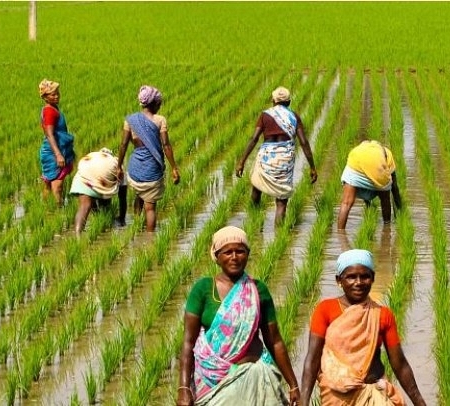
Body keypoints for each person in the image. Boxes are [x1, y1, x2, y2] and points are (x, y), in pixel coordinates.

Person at [178, 226, 300, 406]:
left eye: (240, 251)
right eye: (227, 252)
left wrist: (293, 385)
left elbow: (274, 341)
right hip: (213, 380)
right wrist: (183, 388)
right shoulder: (203, 289)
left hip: (257, 378)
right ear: (216, 257)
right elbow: (188, 342)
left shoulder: (258, 290)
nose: (234, 257)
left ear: (248, 254)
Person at [300, 249, 426, 406]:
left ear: (373, 278)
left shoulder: (382, 315)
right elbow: (312, 359)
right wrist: (303, 401)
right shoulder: (325, 310)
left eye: (365, 276)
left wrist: (420, 402)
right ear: (339, 280)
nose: (358, 282)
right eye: (351, 277)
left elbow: (400, 364)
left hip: (374, 394)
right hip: (337, 397)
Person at [235, 86, 318, 226]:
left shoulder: (265, 115)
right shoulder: (294, 116)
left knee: (256, 185)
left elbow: (254, 139)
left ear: (273, 101)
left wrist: (241, 161)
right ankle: (279, 233)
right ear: (289, 102)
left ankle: (254, 222)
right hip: (285, 159)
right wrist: (312, 167)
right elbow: (303, 142)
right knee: (281, 200)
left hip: (266, 157)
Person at [117, 84, 180, 232]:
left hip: (135, 169)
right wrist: (174, 168)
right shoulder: (160, 120)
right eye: (159, 103)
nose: (160, 106)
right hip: (152, 169)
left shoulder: (131, 120)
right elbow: (166, 145)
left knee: (139, 195)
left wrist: (119, 166)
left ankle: (137, 228)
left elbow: (123, 145)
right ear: (155, 104)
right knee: (150, 207)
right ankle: (149, 238)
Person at [337, 140, 402, 229]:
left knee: (346, 203)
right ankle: (387, 228)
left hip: (354, 165)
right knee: (385, 199)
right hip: (377, 167)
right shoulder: (387, 153)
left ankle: (340, 234)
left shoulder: (360, 149)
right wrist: (399, 209)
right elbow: (394, 186)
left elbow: (366, 169)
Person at [70, 148, 127, 235]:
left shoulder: (93, 156)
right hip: (104, 174)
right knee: (105, 202)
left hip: (84, 171)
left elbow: (91, 193)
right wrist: (122, 218)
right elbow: (122, 197)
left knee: (84, 206)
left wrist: (96, 212)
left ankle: (77, 236)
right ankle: (105, 223)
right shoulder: (117, 163)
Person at [38, 79, 75, 206]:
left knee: (49, 185)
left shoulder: (53, 108)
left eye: (57, 93)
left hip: (54, 149)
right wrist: (58, 154)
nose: (57, 96)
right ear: (45, 97)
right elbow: (49, 134)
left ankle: (47, 210)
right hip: (54, 151)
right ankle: (56, 211)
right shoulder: (49, 111)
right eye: (53, 94)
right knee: (57, 185)